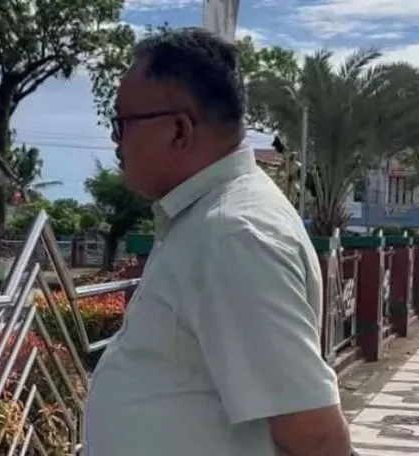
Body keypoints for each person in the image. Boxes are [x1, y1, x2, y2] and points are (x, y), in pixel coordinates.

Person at [83, 28, 351, 456]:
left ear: (179, 129)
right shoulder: (207, 221)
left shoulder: (233, 235)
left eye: (122, 123)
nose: (116, 141)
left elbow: (315, 434)